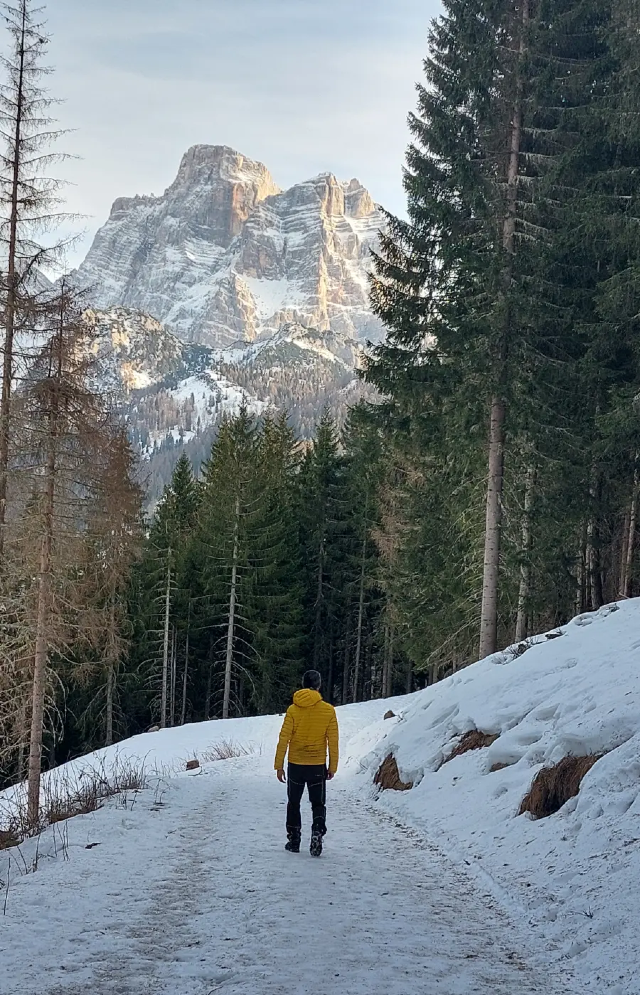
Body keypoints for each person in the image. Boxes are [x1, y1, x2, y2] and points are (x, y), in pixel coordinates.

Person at [274, 669, 339, 857]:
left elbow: (283, 738)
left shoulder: (293, 710)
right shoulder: (328, 710)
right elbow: (332, 741)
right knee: (318, 804)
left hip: (295, 764)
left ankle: (294, 840)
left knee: (293, 803)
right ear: (319, 686)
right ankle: (317, 831)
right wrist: (332, 767)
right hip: (317, 764)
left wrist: (278, 765)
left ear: (303, 684)